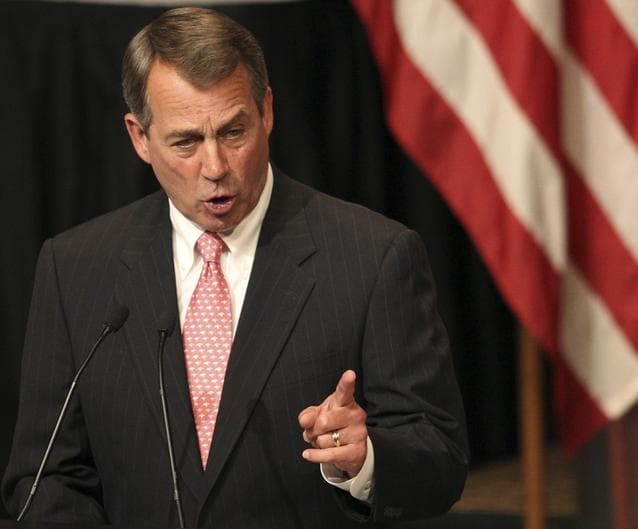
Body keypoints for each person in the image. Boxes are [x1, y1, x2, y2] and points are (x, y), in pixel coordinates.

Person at [1, 7, 468, 529]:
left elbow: (441, 458)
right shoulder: (75, 270)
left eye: (233, 131)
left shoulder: (375, 256)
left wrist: (366, 459)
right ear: (139, 137)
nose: (216, 167)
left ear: (266, 111)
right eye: (185, 142)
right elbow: (44, 477)